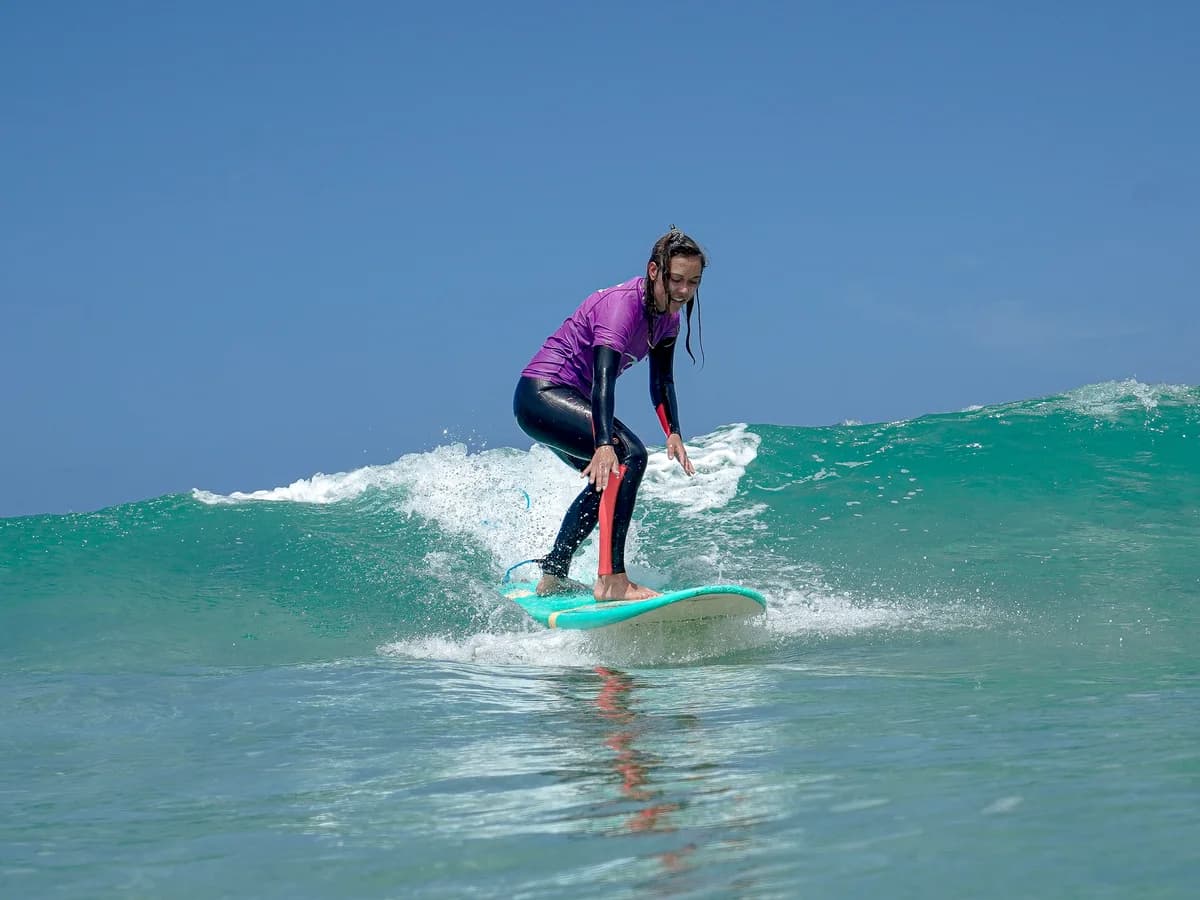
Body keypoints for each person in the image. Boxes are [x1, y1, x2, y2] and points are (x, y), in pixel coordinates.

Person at [513, 227, 706, 602]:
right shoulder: (621, 307)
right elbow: (604, 381)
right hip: (542, 396)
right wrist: (604, 444)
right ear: (654, 271)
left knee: (605, 480)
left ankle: (553, 573)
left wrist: (673, 431)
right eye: (676, 280)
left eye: (693, 282)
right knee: (629, 455)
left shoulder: (668, 319)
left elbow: (662, 380)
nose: (684, 291)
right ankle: (612, 581)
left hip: (563, 401)